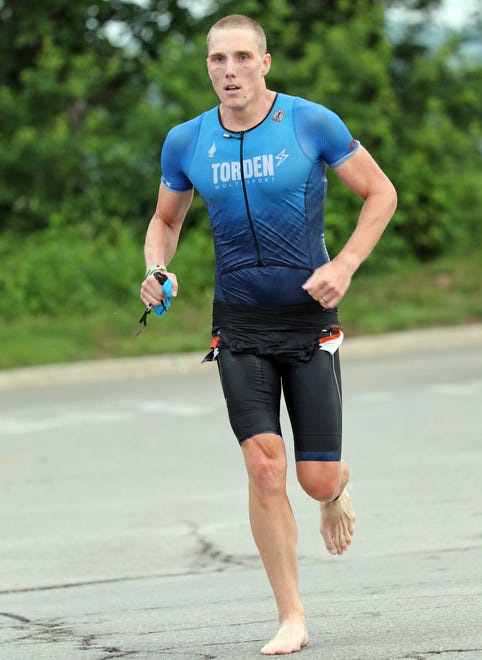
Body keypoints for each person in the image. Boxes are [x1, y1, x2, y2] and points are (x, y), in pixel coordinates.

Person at [140, 14, 397, 656]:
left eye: (240, 58)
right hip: (240, 324)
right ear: (208, 67)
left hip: (310, 321)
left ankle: (335, 490)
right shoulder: (187, 140)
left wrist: (344, 265)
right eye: (217, 59)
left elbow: (380, 194)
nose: (229, 70)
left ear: (265, 62)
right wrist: (156, 269)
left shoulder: (311, 123)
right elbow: (165, 221)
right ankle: (292, 616)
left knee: (313, 477)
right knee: (262, 466)